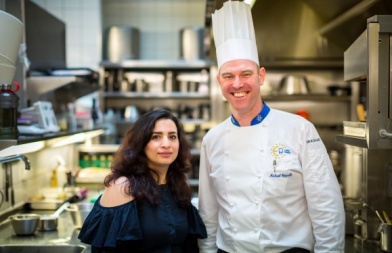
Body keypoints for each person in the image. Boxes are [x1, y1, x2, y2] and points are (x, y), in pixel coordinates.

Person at [197, 1, 345, 253]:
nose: (237, 84)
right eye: (228, 76)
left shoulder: (300, 129)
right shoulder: (212, 139)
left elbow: (325, 205)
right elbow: (208, 211)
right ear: (218, 81)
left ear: (261, 76)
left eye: (246, 74)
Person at [78, 109, 207, 253]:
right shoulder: (123, 186)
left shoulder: (178, 185)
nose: (166, 144)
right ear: (141, 143)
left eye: (172, 136)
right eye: (156, 137)